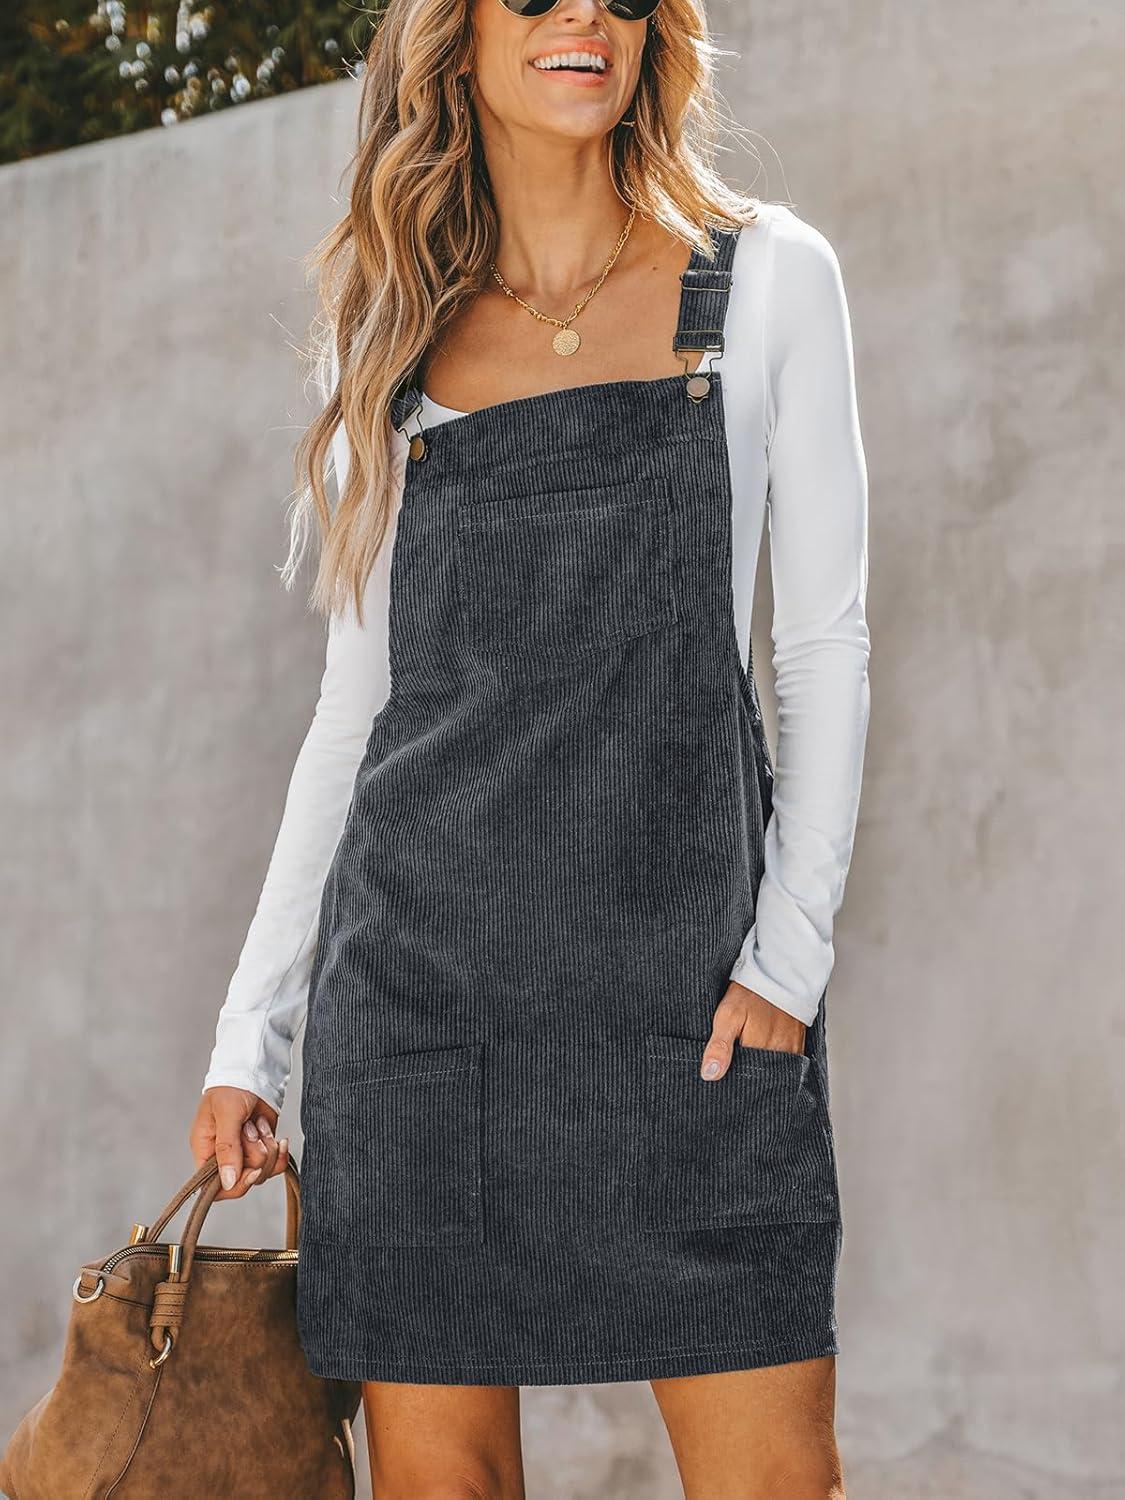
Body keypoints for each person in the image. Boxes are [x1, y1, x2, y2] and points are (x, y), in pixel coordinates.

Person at [189, 0, 870, 1493]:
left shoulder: (766, 277)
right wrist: (255, 1035)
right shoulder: (388, 337)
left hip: (691, 1009)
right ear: (458, 32)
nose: (584, 13)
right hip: (420, 1019)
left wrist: (786, 966)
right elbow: (358, 714)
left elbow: (820, 649)